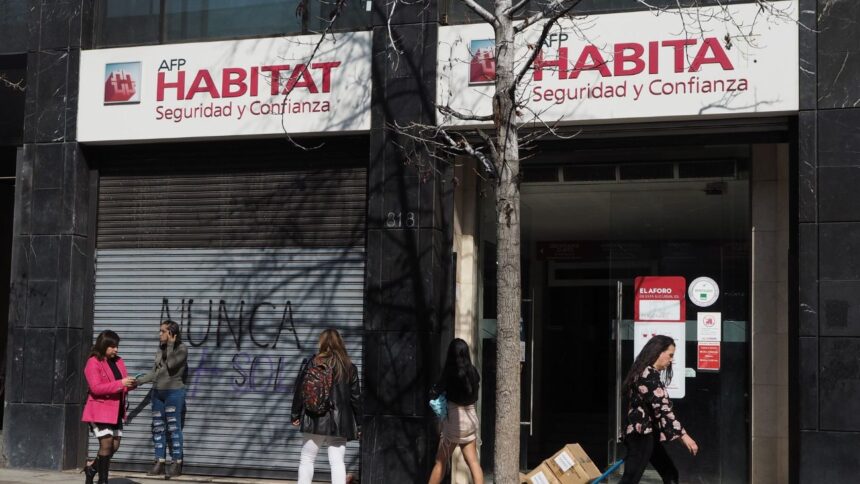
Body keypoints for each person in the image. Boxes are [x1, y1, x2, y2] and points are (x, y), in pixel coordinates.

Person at [619, 335, 698, 484]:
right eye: (670, 355)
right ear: (658, 352)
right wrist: (684, 437)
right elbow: (663, 409)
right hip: (641, 436)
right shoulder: (647, 376)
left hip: (648, 434)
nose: (671, 360)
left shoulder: (647, 373)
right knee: (630, 479)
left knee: (670, 474)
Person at [291, 329, 361, 484]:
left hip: (315, 418)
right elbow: (356, 398)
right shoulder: (349, 367)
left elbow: (301, 389)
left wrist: (295, 414)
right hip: (340, 421)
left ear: (321, 343)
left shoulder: (313, 362)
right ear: (340, 343)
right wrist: (360, 424)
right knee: (337, 462)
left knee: (307, 458)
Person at [81, 330, 137, 484]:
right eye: (112, 346)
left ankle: (92, 468)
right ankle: (103, 480)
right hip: (100, 409)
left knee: (115, 445)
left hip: (116, 410)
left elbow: (122, 385)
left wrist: (131, 384)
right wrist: (120, 384)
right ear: (103, 345)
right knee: (106, 444)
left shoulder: (118, 361)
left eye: (117, 346)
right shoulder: (93, 362)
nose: (116, 349)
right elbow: (96, 388)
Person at [135, 320, 189, 478]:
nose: (159, 334)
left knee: (173, 427)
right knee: (158, 428)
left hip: (174, 393)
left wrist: (171, 345)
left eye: (162, 331)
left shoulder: (182, 349)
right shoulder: (160, 349)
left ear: (171, 333)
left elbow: (172, 365)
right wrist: (138, 382)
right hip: (158, 394)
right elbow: (155, 372)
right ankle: (159, 462)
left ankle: (177, 463)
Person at [428, 338, 483, 484]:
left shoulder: (450, 374)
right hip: (471, 419)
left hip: (455, 421)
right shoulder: (473, 373)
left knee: (440, 462)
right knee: (473, 463)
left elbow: (435, 391)